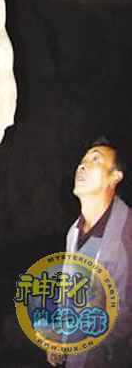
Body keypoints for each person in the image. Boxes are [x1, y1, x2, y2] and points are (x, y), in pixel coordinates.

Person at [47, 137, 132, 367]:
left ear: (115, 177)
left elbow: (126, 316)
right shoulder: (74, 231)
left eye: (96, 159)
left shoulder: (126, 235)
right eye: (83, 159)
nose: (83, 165)